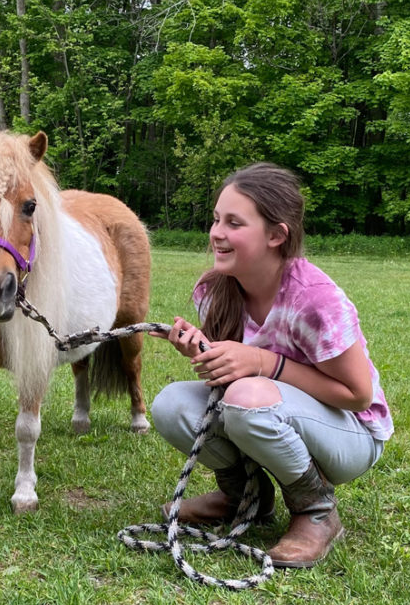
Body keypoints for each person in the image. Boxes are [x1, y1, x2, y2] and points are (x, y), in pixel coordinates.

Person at [150, 163, 392, 568]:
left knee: (246, 396)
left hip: (350, 435)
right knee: (171, 404)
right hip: (267, 409)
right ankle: (245, 497)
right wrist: (205, 353)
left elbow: (358, 395)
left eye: (234, 223)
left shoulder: (315, 299)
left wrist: (266, 363)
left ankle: (316, 512)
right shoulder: (214, 289)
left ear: (276, 235)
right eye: (215, 220)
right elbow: (229, 380)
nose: (217, 233)